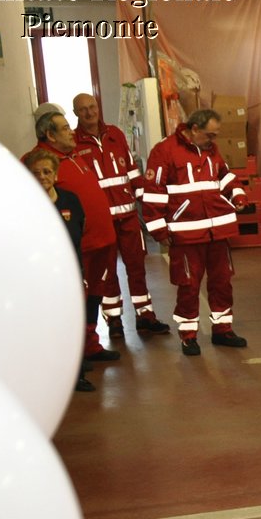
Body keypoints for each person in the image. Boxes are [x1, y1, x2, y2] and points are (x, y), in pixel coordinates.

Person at [141, 107, 251, 356]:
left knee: (222, 281)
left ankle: (223, 329)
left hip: (217, 230)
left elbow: (224, 177)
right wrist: (158, 229)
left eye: (216, 136)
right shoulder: (165, 150)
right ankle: (188, 335)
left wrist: (239, 194)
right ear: (194, 129)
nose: (214, 141)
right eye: (210, 135)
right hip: (185, 234)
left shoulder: (211, 150)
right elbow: (153, 191)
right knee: (188, 285)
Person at [71, 92, 171, 336]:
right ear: (75, 113)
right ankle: (114, 320)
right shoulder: (74, 143)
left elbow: (132, 171)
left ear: (98, 106)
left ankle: (145, 315)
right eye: (83, 109)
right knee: (106, 272)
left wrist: (145, 208)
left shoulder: (115, 134)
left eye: (92, 106)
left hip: (128, 219)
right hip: (101, 222)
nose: (89, 112)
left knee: (137, 267)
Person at [30, 105, 122, 366]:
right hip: (76, 248)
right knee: (71, 301)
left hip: (100, 243)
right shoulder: (40, 162)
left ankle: (90, 344)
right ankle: (71, 356)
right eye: (65, 128)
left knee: (94, 296)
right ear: (49, 134)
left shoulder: (72, 156)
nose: (72, 132)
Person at [23, 147, 93, 393]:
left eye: (46, 171)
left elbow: (79, 229)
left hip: (70, 275)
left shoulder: (69, 200)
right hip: (40, 279)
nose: (42, 176)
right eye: (35, 173)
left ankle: (77, 373)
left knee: (73, 325)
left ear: (55, 175)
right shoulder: (24, 206)